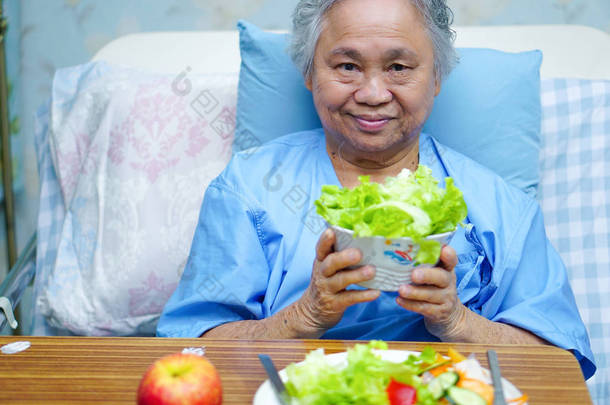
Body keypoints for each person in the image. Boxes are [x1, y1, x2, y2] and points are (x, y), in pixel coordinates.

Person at [157, 0, 595, 378]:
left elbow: (560, 364)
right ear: (310, 73)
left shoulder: (502, 209)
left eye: (398, 67)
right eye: (347, 66)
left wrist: (457, 321)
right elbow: (190, 346)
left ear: (437, 78)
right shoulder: (248, 189)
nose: (371, 93)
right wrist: (303, 316)